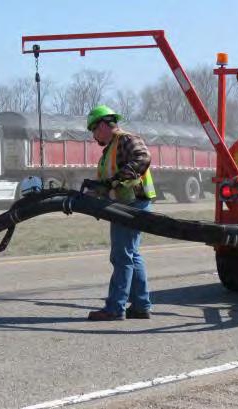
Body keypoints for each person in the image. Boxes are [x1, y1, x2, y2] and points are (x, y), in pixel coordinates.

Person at [86, 105, 156, 321]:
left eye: (94, 129)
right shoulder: (111, 148)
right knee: (132, 255)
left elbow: (143, 157)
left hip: (131, 204)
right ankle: (141, 306)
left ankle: (115, 308)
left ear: (105, 124)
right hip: (127, 204)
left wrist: (116, 181)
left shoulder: (127, 139)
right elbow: (109, 181)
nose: (94, 135)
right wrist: (97, 189)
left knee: (121, 256)